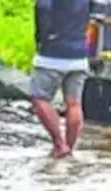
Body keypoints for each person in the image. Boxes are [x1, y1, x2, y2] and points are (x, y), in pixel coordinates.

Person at [30, 0, 92, 158]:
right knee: (74, 103)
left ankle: (59, 144)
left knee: (39, 98)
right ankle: (69, 149)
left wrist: (41, 38)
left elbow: (43, 9)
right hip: (79, 55)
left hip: (52, 53)